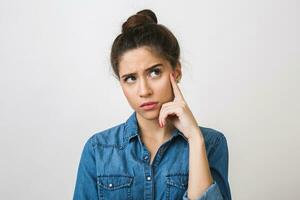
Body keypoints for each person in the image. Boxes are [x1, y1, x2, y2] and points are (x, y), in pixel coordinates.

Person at [73, 9, 231, 200]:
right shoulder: (98, 149)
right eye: (130, 78)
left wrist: (195, 139)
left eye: (154, 72)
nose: (144, 91)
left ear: (177, 72)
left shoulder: (211, 144)